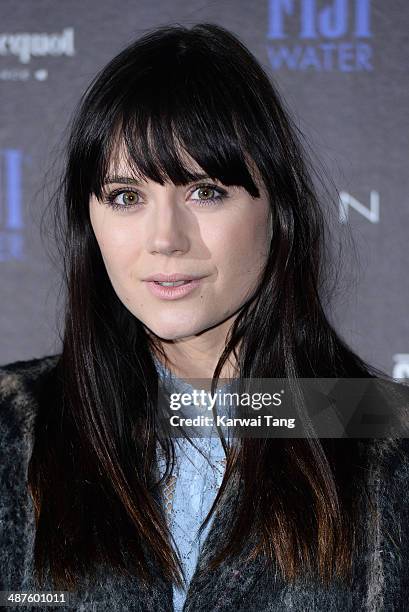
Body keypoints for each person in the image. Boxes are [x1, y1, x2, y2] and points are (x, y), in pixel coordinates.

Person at [1, 22, 408, 612]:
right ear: (89, 222)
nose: (165, 239)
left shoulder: (385, 437)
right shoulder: (16, 428)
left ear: (278, 209)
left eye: (206, 191)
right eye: (126, 197)